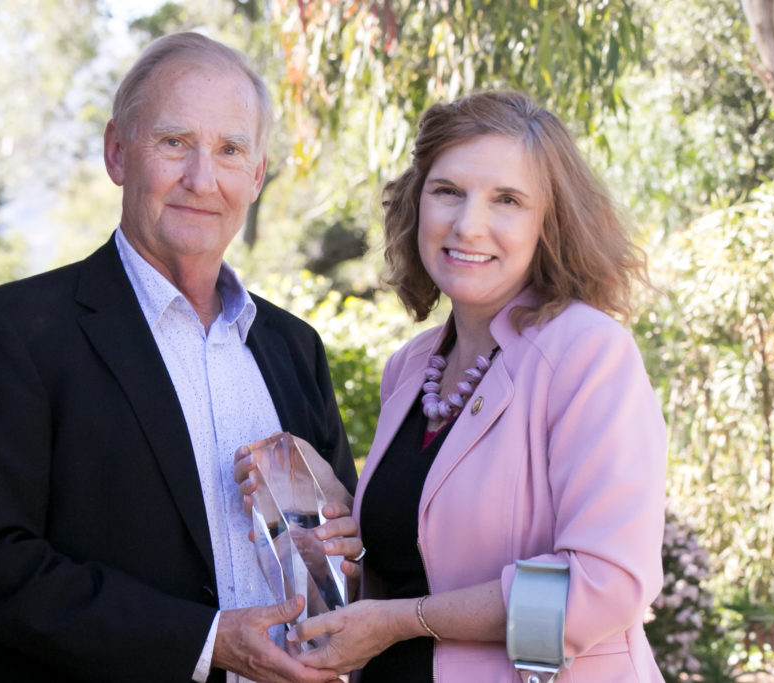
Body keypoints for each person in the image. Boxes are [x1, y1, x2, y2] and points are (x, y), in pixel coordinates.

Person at [0, 32, 358, 683]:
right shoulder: (16, 330)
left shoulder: (295, 347)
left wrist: (339, 549)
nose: (201, 179)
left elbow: (338, 556)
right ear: (117, 152)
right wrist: (205, 641)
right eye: (174, 142)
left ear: (258, 176)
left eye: (230, 150)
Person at [280, 89, 668, 681]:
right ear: (417, 206)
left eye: (507, 199)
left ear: (551, 223)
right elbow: (414, 565)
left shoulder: (588, 353)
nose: (468, 225)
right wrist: (338, 531)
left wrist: (405, 620)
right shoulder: (410, 369)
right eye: (448, 192)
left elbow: (602, 586)